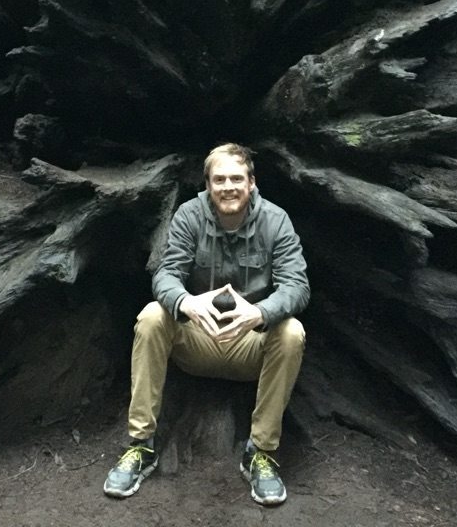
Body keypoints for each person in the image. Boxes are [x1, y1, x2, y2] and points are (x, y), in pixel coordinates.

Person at [102, 143, 310, 505]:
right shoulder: (189, 215)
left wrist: (260, 313)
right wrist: (186, 302)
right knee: (152, 316)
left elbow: (297, 285)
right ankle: (141, 446)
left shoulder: (276, 220)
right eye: (219, 179)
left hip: (250, 345)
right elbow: (167, 274)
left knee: (291, 332)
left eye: (236, 178)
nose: (228, 186)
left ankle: (260, 452)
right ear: (208, 184)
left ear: (252, 182)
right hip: (198, 340)